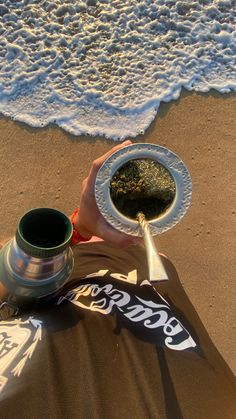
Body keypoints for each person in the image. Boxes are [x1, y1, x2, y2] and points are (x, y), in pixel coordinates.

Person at [0, 141, 235, 419]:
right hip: (142, 274)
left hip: (46, 279)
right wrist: (80, 230)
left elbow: (6, 269)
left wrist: (77, 230)